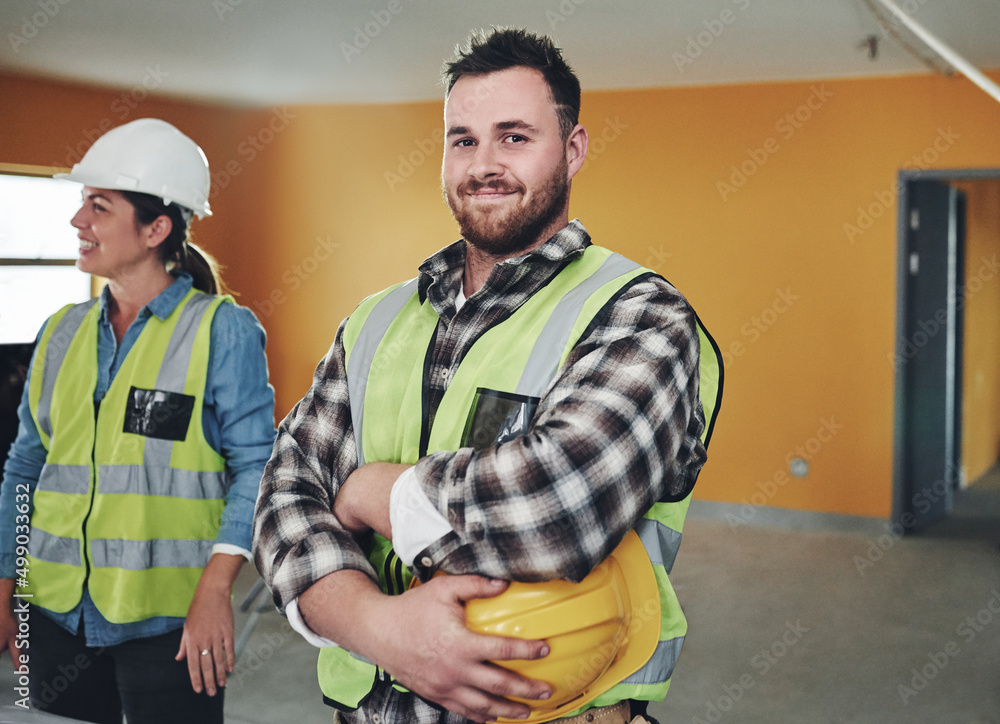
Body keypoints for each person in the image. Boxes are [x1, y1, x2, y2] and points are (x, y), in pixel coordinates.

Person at [253, 27, 722, 724]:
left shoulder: (639, 316)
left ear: (573, 149)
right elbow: (284, 496)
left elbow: (562, 506)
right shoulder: (377, 320)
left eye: (514, 136)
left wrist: (370, 491)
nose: (484, 163)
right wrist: (378, 627)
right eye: (463, 140)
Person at [0, 118, 276, 724]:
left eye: (99, 206)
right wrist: (9, 583)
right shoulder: (60, 333)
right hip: (53, 611)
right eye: (81, 205)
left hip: (171, 621)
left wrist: (215, 589)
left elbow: (255, 467)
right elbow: (25, 469)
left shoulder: (220, 330)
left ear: (156, 228)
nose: (78, 222)